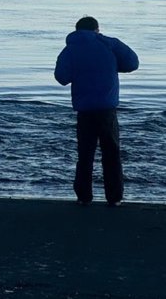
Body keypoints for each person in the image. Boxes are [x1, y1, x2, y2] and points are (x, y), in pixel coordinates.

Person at [54, 15, 139, 206]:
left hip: (84, 110)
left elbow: (61, 77)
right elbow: (132, 63)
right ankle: (114, 197)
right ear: (97, 30)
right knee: (111, 153)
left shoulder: (71, 49)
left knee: (85, 154)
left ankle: (84, 197)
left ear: (76, 30)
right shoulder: (109, 44)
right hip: (107, 108)